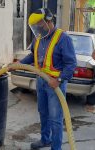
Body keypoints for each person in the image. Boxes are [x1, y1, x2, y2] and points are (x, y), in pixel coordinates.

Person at [18, 8, 77, 150]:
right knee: (43, 113)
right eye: (36, 25)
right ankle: (45, 139)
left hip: (55, 85)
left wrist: (59, 80)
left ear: (49, 20)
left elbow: (71, 64)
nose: (38, 27)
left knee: (56, 119)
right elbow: (33, 56)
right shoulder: (38, 37)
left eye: (40, 24)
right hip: (41, 82)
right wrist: (19, 64)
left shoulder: (63, 38)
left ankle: (56, 147)